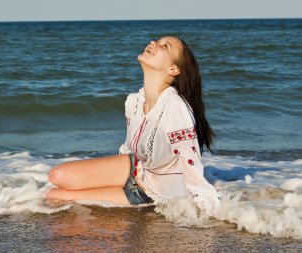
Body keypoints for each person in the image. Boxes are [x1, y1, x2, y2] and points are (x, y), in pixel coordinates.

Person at [47, 36, 220, 216]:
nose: (154, 43)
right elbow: (129, 147)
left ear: (173, 69)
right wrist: (114, 176)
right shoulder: (134, 102)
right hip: (136, 167)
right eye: (157, 41)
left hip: (152, 190)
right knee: (56, 175)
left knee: (55, 196)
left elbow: (190, 160)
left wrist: (205, 208)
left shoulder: (175, 107)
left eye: (165, 46)